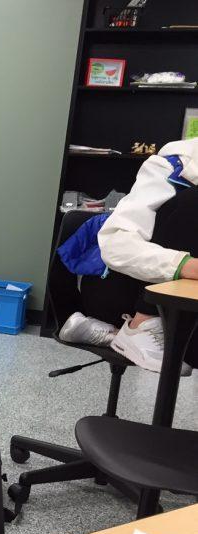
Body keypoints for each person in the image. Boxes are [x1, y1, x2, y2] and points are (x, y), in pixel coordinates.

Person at [67, 138, 198, 374]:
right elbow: (116, 246)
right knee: (193, 201)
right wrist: (187, 265)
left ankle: (112, 334)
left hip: (185, 306)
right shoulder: (171, 165)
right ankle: (140, 323)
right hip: (123, 292)